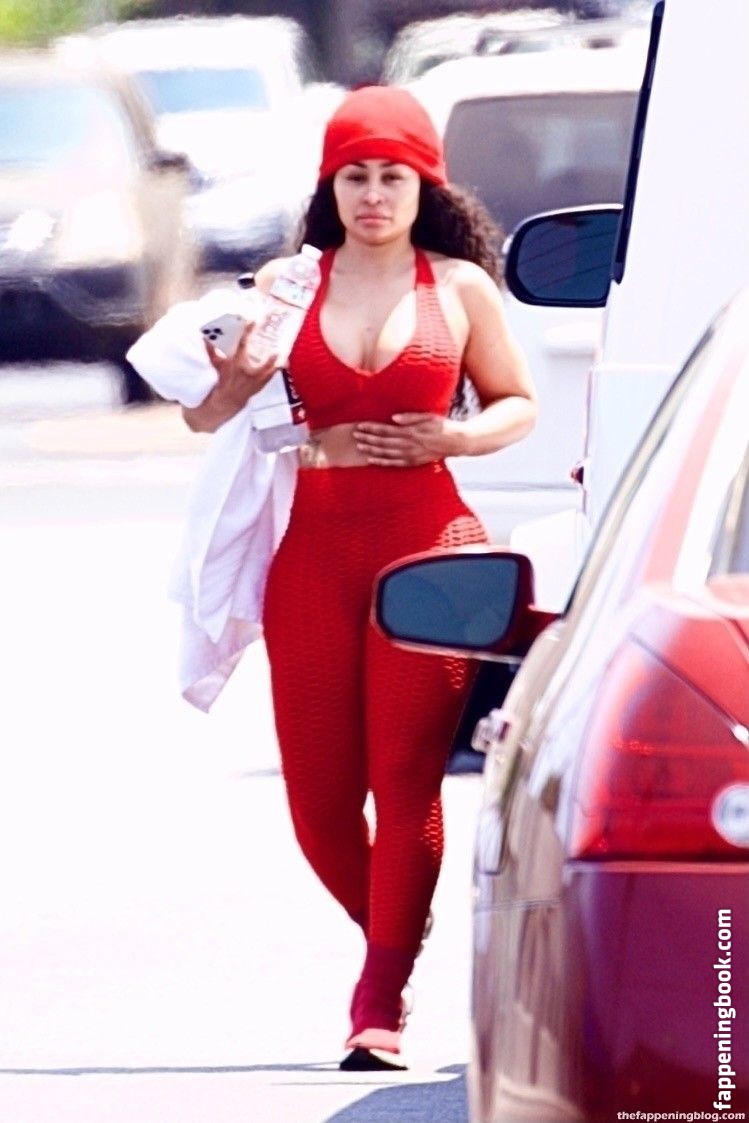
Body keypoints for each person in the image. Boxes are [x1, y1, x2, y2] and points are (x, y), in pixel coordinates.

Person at [181, 85, 537, 1070]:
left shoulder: (458, 287)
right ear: (328, 186)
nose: (373, 195)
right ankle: (398, 923)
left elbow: (517, 403)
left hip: (432, 547)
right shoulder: (286, 285)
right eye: (354, 177)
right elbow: (204, 417)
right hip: (313, 550)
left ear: (424, 187)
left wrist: (454, 435)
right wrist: (235, 384)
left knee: (405, 772)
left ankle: (377, 999)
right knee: (319, 800)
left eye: (392, 176)